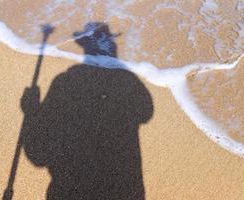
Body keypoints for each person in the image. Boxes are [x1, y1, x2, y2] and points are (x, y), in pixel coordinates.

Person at [20, 22, 153, 200]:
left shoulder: (65, 83)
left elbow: (38, 154)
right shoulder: (126, 83)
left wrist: (31, 111)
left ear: (85, 47)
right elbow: (146, 111)